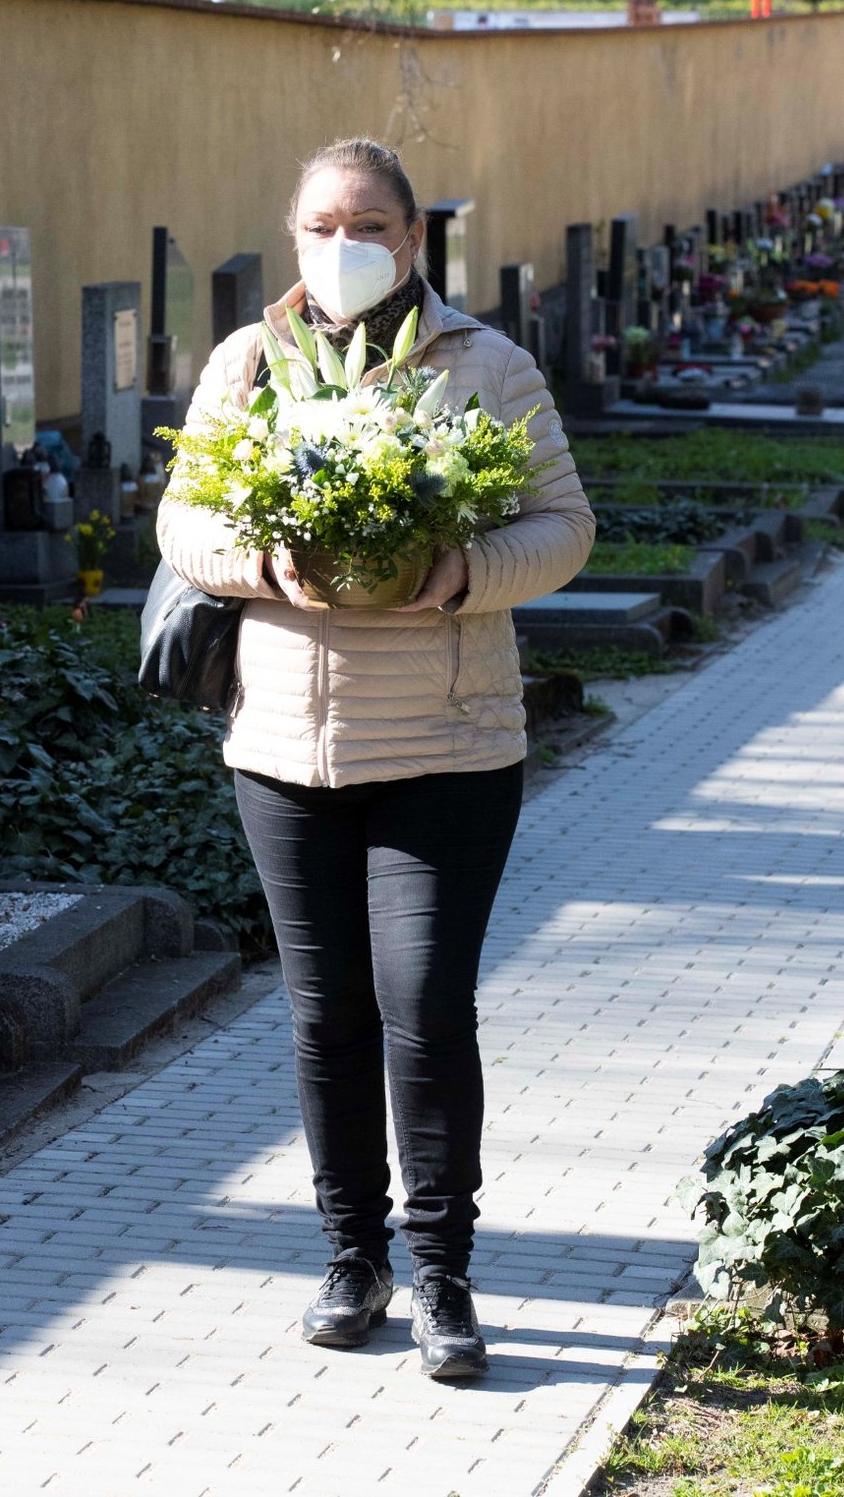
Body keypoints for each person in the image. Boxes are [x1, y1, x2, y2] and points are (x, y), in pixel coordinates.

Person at [157, 137, 595, 1380]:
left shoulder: (487, 365)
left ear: (413, 239)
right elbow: (185, 516)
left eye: (368, 225)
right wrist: (265, 565)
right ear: (293, 235)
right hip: (284, 747)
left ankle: (444, 1278)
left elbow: (566, 525)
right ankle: (353, 1261)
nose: (341, 246)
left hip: (447, 747)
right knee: (323, 1016)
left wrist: (463, 573)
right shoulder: (249, 363)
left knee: (422, 1007)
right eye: (318, 224)